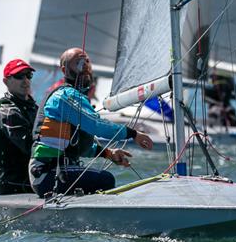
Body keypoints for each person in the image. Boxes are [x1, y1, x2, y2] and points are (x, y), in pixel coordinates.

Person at [28, 47, 154, 198]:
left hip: (56, 172)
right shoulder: (64, 96)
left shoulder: (76, 96)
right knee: (105, 179)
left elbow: (81, 146)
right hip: (47, 174)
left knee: (100, 178)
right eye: (78, 62)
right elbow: (96, 126)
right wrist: (132, 134)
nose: (85, 65)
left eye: (87, 61)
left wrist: (108, 154)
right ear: (64, 70)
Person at [0, 58, 39, 195]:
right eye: (19, 76)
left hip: (31, 175)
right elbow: (30, 146)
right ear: (6, 81)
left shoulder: (34, 108)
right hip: (12, 182)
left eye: (29, 75)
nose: (25, 80)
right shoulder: (7, 112)